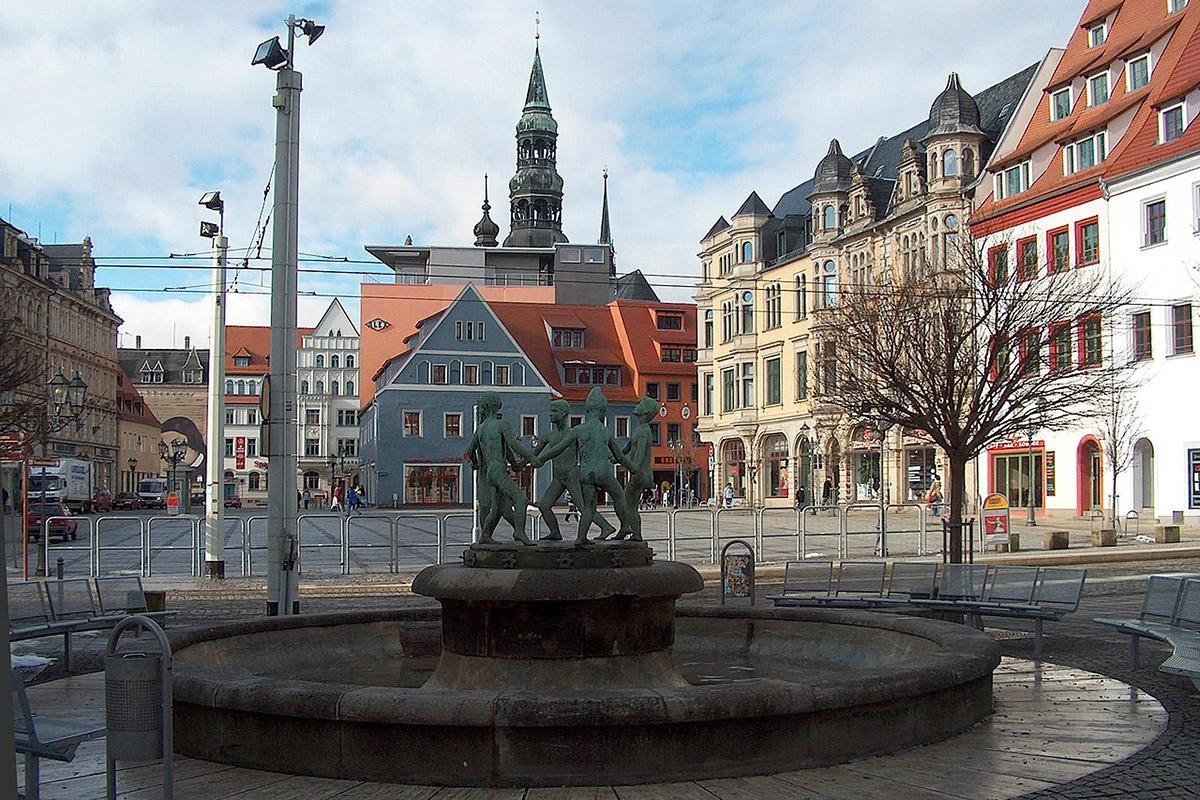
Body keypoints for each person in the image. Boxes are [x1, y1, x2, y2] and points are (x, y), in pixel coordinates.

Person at [533, 387, 634, 541]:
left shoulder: (579, 430)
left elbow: (559, 448)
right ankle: (624, 526)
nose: (550, 413)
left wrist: (542, 459)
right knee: (618, 495)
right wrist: (632, 467)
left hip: (583, 473)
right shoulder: (605, 431)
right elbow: (617, 456)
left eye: (554, 411)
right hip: (601, 472)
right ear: (603, 411)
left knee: (587, 507)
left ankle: (581, 538)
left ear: (587, 409)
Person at [466, 391, 537, 544]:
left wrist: (476, 463)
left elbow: (470, 451)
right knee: (521, 500)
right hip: (499, 470)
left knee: (497, 508)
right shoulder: (501, 425)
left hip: (490, 473)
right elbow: (513, 444)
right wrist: (531, 458)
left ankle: (485, 535)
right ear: (498, 405)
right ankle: (519, 532)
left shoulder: (481, 428)